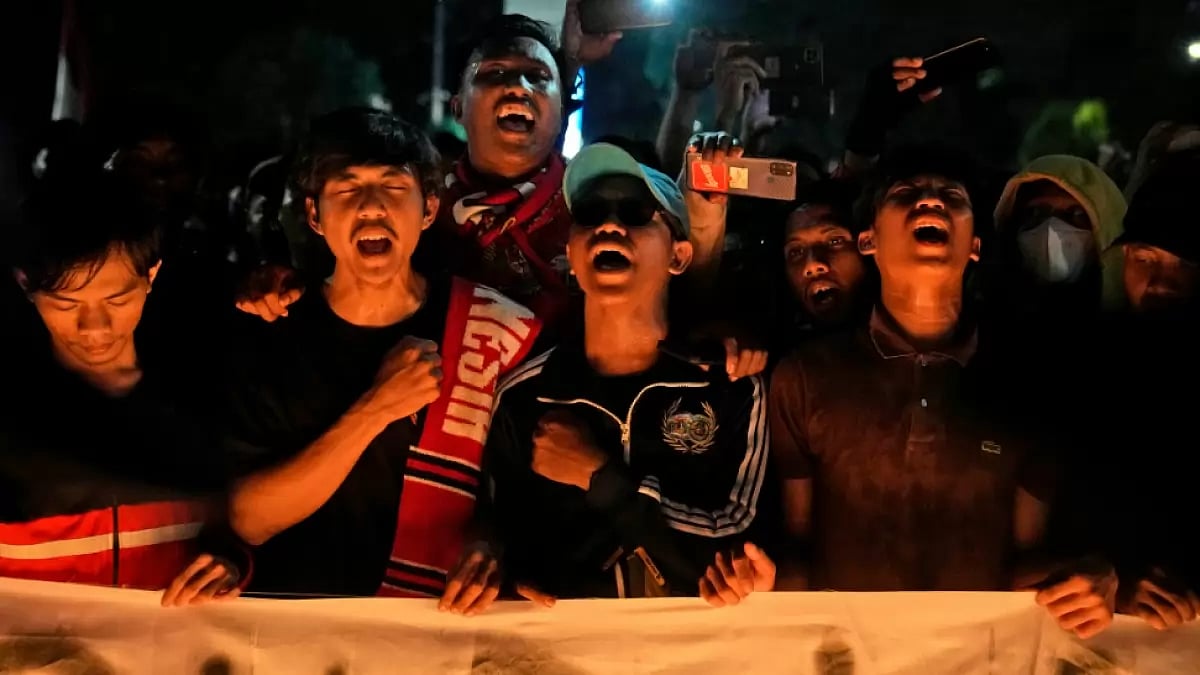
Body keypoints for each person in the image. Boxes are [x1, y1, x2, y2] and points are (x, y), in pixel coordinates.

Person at [768, 144, 1116, 639]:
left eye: (951, 196)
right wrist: (753, 582)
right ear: (867, 240)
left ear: (974, 244)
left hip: (979, 660)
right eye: (906, 194)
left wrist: (1095, 582)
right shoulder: (805, 377)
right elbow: (800, 558)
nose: (929, 202)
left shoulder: (1025, 384)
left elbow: (1025, 566)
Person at [219, 108, 541, 614]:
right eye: (347, 190)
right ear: (314, 216)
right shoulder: (271, 333)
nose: (371, 208)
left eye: (393, 188)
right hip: (300, 635)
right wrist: (375, 408)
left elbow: (523, 494)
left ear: (430, 209)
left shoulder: (496, 330)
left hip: (437, 638)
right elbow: (249, 519)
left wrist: (489, 544)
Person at [488, 143, 775, 607]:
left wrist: (600, 478)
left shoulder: (732, 389)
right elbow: (499, 545)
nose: (609, 224)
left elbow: (729, 564)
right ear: (570, 255)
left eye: (636, 212)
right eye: (591, 211)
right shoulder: (525, 395)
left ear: (679, 256)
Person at [0, 178, 246, 607]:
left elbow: (242, 518)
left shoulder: (205, 390)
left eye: (116, 301)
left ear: (151, 274)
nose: (94, 327)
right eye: (66, 304)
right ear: (25, 285)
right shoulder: (9, 409)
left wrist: (231, 562)